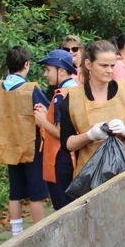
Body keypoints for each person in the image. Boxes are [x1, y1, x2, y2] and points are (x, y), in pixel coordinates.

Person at [0, 46, 50, 236]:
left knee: (15, 191)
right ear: (26, 65)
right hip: (31, 146)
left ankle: (16, 232)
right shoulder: (30, 89)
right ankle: (38, 231)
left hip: (8, 146)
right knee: (36, 192)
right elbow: (48, 111)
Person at [60, 39, 125, 182]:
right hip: (92, 176)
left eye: (112, 65)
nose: (110, 70)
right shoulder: (72, 98)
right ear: (88, 64)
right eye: (104, 65)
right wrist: (89, 135)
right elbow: (67, 143)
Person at [33, 49, 80, 210]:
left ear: (61, 70)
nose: (46, 74)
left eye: (48, 70)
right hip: (72, 158)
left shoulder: (62, 95)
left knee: (63, 207)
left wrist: (42, 121)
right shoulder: (75, 88)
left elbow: (63, 134)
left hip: (60, 159)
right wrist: (47, 115)